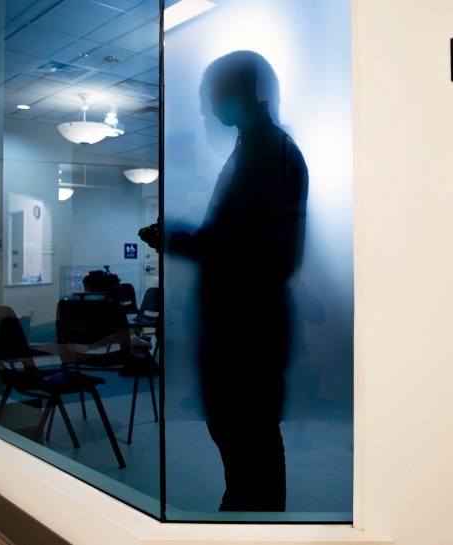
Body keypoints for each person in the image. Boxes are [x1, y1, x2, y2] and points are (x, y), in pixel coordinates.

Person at [140, 50, 308, 511]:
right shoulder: (256, 151)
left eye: (212, 93)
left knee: (251, 461)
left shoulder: (267, 154)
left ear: (246, 93)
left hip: (246, 336)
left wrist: (176, 237)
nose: (205, 105)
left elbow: (246, 250)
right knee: (248, 459)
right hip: (244, 332)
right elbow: (239, 243)